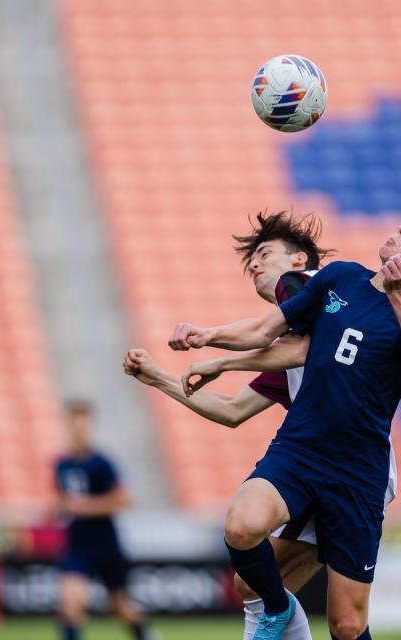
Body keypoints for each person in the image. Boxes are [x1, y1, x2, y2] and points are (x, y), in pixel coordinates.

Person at [168, 199, 401, 640]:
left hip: (357, 472)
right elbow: (265, 331)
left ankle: (283, 613)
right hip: (300, 447)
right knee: (241, 525)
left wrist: (399, 290)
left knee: (347, 626)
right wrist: (208, 336)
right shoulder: (339, 277)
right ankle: (277, 610)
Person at [125, 210, 341, 640]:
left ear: (299, 260)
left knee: (343, 620)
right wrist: (161, 379)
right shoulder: (300, 335)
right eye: (252, 261)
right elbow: (234, 410)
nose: (255, 265)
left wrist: (210, 341)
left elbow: (279, 341)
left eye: (265, 254)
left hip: (351, 464)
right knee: (256, 585)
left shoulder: (308, 284)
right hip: (323, 460)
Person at [54, 399, 158, 640]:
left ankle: (146, 634)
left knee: (120, 606)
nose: (77, 427)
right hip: (77, 543)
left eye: (82, 421)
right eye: (73, 421)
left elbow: (123, 500)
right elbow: (62, 501)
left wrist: (85, 507)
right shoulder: (61, 464)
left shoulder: (102, 463)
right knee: (71, 602)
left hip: (105, 542)